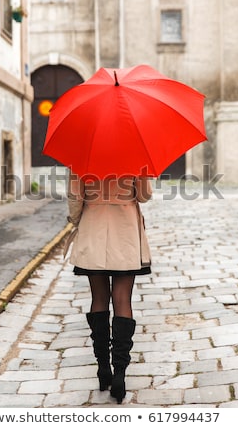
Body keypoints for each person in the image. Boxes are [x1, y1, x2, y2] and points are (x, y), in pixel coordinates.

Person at [64, 171, 152, 404]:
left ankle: (103, 368)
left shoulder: (81, 155)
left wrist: (74, 219)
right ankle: (120, 374)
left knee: (99, 298)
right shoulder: (136, 154)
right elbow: (144, 196)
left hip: (93, 226)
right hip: (125, 231)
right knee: (123, 299)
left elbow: (75, 197)